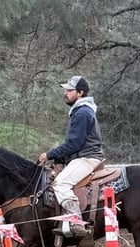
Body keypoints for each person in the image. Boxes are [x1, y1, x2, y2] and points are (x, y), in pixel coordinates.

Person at [38, 75, 104, 238]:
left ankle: (77, 223)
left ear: (80, 93)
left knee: (60, 184)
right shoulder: (81, 111)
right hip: (83, 157)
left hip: (87, 158)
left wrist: (50, 154)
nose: (65, 93)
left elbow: (74, 144)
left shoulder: (82, 113)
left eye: (69, 90)